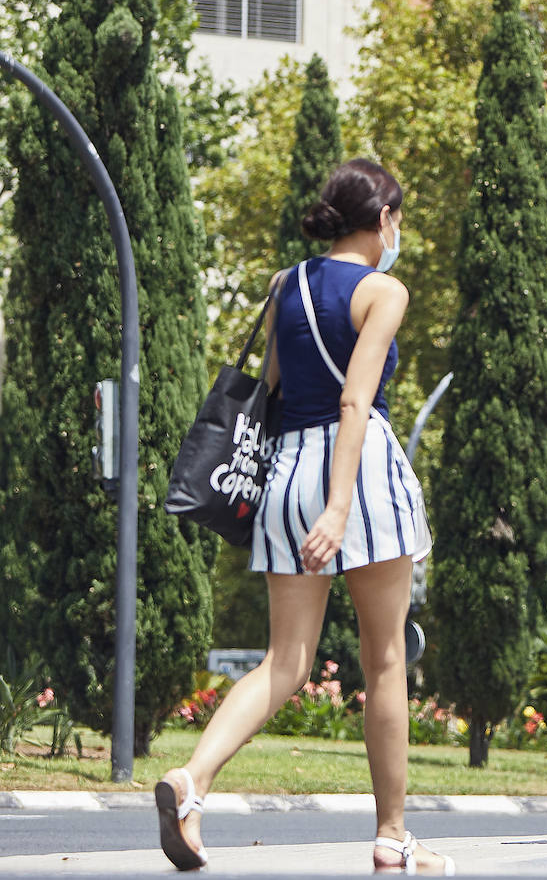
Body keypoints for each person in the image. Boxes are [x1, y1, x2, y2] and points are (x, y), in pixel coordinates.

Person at [155, 159, 453, 875]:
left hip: (286, 473)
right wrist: (340, 504)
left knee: (283, 661)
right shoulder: (384, 290)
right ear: (383, 220)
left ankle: (191, 782)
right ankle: (391, 837)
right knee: (384, 660)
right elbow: (356, 401)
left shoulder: (285, 283)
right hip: (358, 475)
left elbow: (276, 391)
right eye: (399, 219)